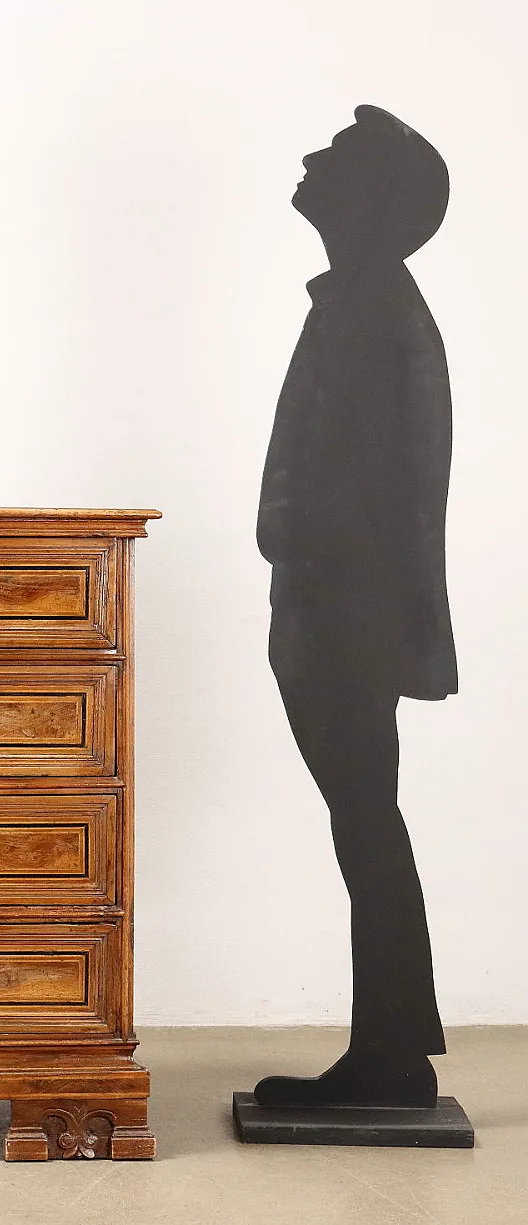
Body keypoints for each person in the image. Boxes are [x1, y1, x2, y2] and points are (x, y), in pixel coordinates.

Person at [254, 105, 456, 1108]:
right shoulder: (360, 303)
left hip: (346, 612)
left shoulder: (373, 310)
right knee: (363, 817)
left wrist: (303, 556)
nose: (307, 159)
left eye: (332, 156)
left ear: (368, 197)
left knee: (363, 817)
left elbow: (371, 487)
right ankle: (390, 1041)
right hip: (334, 607)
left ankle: (388, 1053)